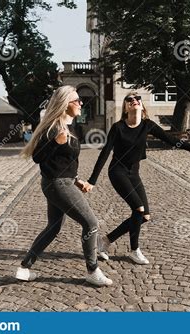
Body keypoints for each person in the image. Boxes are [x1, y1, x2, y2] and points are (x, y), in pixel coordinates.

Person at [83, 92, 190, 265]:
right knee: (138, 209)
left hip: (134, 173)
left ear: (142, 106)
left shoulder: (148, 125)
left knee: (144, 216)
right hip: (118, 172)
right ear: (125, 107)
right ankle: (134, 250)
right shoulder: (118, 127)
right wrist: (92, 181)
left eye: (137, 99)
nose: (134, 101)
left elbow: (171, 140)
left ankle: (104, 241)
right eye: (129, 99)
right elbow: (104, 154)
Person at [17, 85, 113, 286]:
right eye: (76, 100)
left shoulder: (67, 127)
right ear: (64, 104)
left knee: (53, 227)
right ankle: (92, 270)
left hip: (62, 182)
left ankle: (24, 268)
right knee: (91, 223)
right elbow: (37, 157)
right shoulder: (53, 128)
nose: (80, 103)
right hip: (57, 185)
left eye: (79, 100)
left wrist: (77, 180)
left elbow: (64, 163)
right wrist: (56, 143)